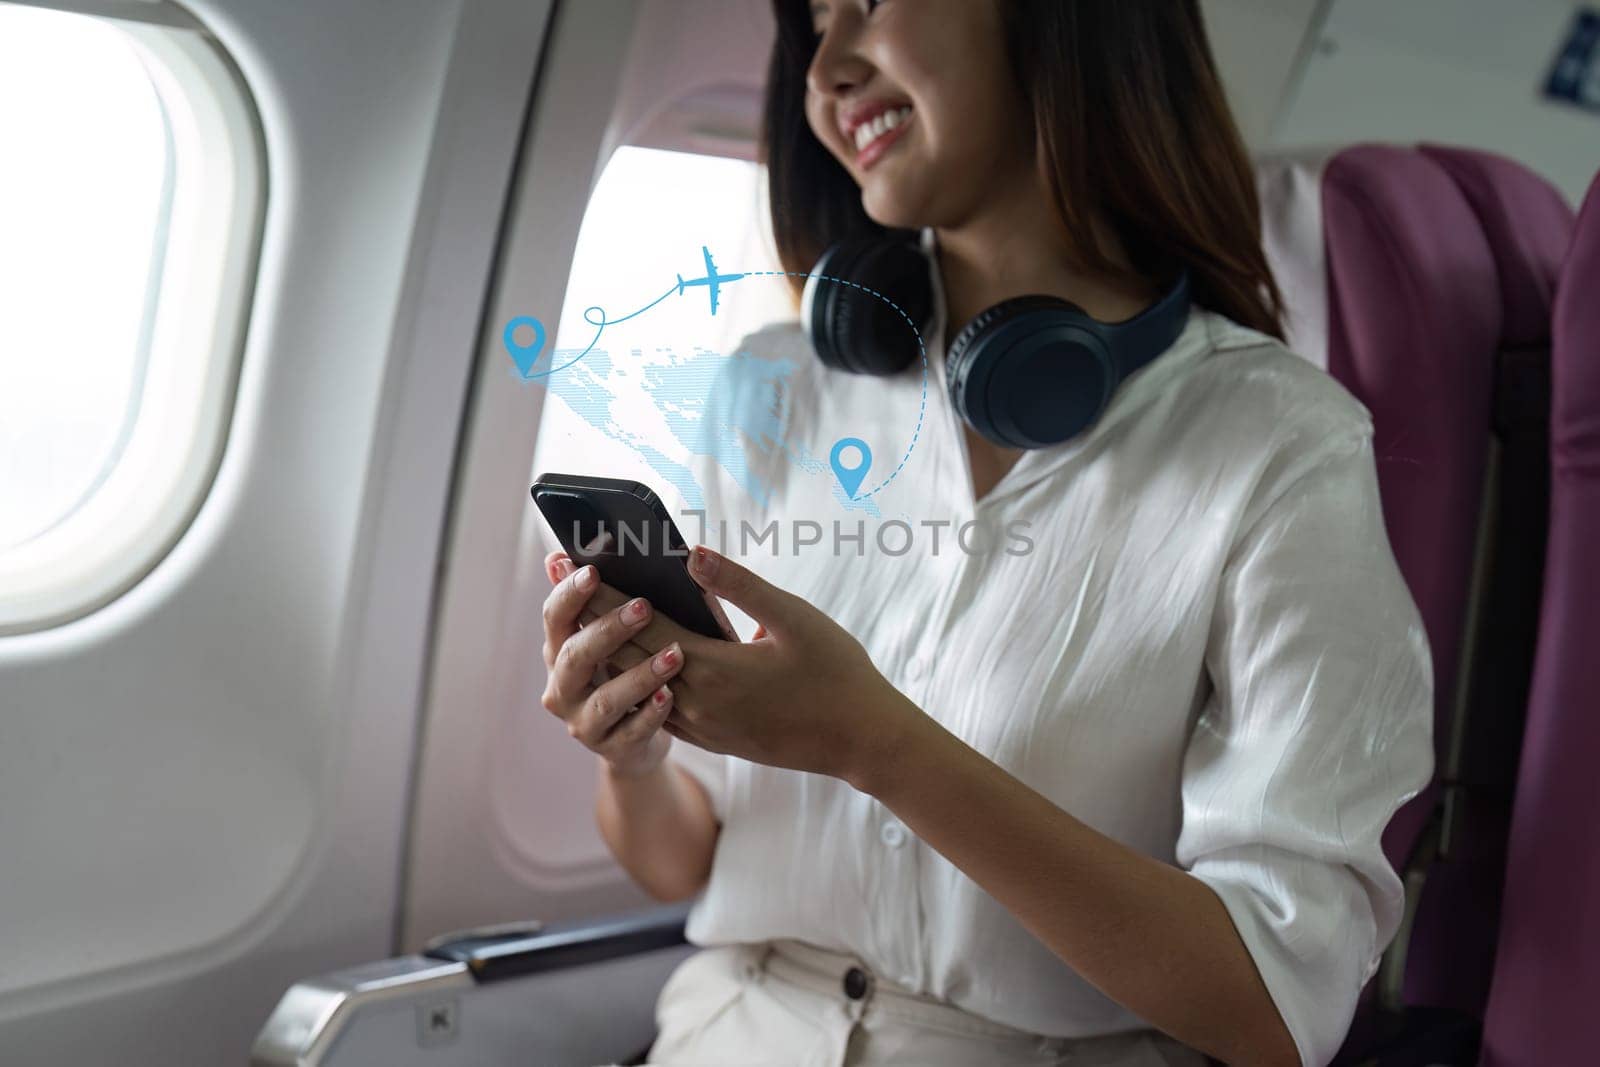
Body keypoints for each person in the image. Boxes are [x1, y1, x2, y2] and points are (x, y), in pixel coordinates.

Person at [539, 1, 1434, 1064]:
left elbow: (1277, 1006)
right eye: (811, 23)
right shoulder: (775, 389)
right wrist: (631, 756)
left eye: (867, 3)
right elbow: (685, 862)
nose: (825, 66)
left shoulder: (1276, 443)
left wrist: (876, 744)